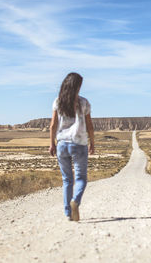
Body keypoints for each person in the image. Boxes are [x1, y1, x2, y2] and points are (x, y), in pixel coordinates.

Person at [49, 72, 95, 221]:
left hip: (62, 144)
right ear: (77, 86)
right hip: (79, 144)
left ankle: (68, 213)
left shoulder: (57, 102)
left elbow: (53, 125)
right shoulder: (84, 103)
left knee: (67, 180)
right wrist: (92, 142)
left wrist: (51, 144)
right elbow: (89, 126)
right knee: (81, 179)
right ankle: (75, 201)